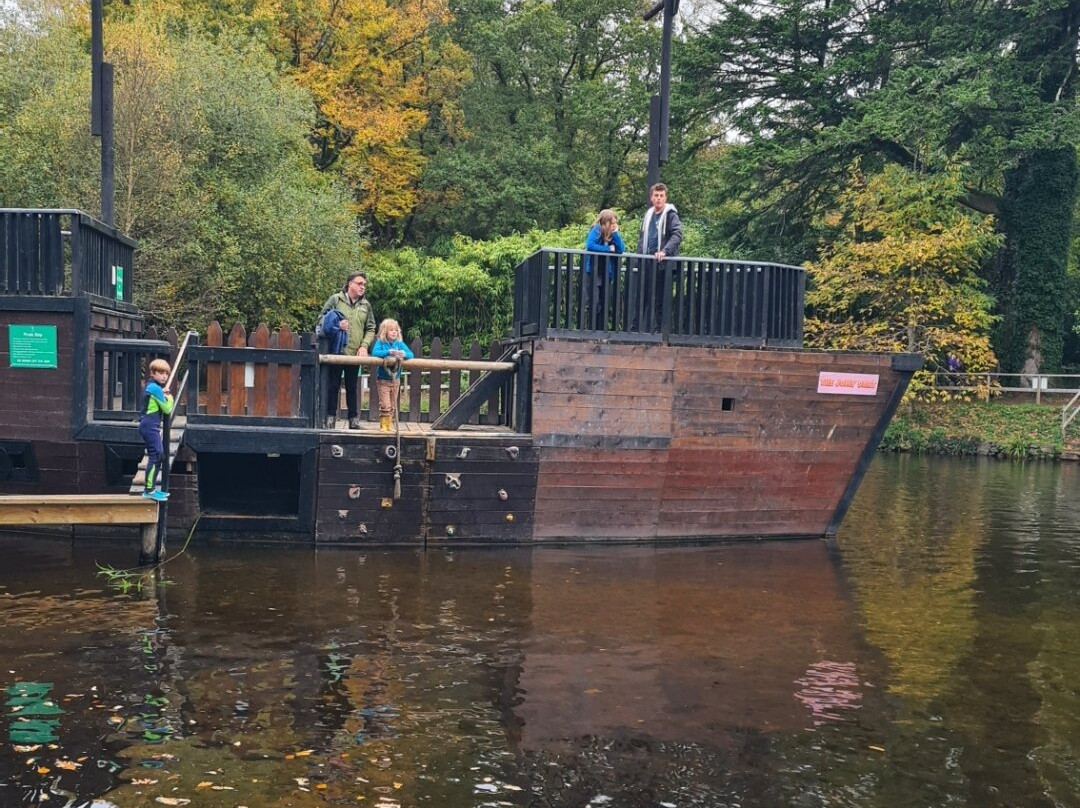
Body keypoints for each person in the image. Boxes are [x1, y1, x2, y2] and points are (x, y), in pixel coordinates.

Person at [319, 271, 376, 429]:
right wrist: (338, 326)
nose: (362, 287)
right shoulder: (335, 299)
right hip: (335, 352)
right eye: (359, 283)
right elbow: (321, 320)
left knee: (352, 386)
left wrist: (364, 346)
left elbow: (371, 328)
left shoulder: (366, 305)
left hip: (354, 354)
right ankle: (329, 419)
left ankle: (353, 421)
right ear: (349, 284)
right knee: (332, 385)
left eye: (364, 284)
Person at [636, 183, 683, 331]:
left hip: (663, 263)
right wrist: (638, 258)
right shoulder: (648, 215)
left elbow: (677, 234)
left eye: (661, 196)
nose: (659, 199)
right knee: (642, 297)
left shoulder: (671, 215)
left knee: (661, 300)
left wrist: (665, 251)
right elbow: (642, 237)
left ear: (665, 198)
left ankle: (660, 333)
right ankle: (637, 330)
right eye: (656, 195)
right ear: (651, 198)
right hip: (647, 262)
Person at [138, 358, 174, 501]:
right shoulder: (154, 388)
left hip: (150, 426)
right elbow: (166, 409)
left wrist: (162, 392)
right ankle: (149, 490)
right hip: (149, 426)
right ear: (152, 373)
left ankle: (152, 489)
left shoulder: (152, 387)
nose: (164, 376)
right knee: (155, 455)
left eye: (166, 373)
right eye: (160, 373)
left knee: (160, 455)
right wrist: (169, 398)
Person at [584, 209, 625, 330]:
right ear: (605, 222)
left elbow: (621, 249)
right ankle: (591, 330)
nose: (614, 225)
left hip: (606, 273)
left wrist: (616, 234)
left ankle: (601, 331)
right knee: (594, 302)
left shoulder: (612, 233)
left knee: (604, 303)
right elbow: (590, 245)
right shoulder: (596, 229)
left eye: (615, 223)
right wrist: (608, 249)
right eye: (612, 223)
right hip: (593, 271)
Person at [370, 318, 414, 432]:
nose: (394, 332)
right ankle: (384, 426)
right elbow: (375, 353)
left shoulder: (399, 343)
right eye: (391, 330)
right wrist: (389, 352)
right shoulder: (380, 342)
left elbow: (411, 354)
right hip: (383, 380)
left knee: (393, 405)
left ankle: (390, 425)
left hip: (395, 380)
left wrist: (403, 354)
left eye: (395, 330)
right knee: (385, 405)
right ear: (385, 331)